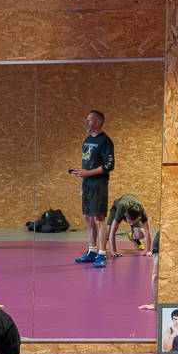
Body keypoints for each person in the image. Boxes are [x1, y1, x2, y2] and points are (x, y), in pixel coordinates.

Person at [70, 110, 115, 268]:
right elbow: (85, 166)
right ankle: (92, 251)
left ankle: (102, 254)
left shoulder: (105, 141)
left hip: (98, 186)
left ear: (98, 122)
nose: (86, 122)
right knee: (88, 218)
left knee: (99, 219)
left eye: (89, 120)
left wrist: (88, 174)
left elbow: (110, 165)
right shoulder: (88, 140)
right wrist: (82, 185)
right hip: (87, 185)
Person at [104, 193, 151, 258]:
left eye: (134, 222)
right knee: (108, 230)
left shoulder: (141, 210)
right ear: (125, 214)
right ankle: (105, 239)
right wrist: (114, 251)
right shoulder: (121, 209)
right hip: (117, 206)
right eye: (129, 222)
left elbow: (148, 231)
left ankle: (133, 237)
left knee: (141, 234)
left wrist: (148, 251)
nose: (131, 224)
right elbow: (113, 231)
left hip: (133, 211)